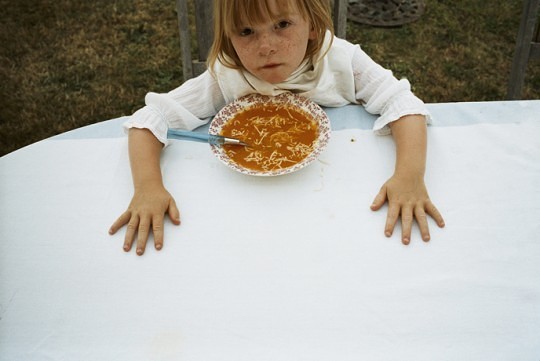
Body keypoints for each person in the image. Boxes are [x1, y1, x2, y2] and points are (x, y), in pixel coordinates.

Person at [109, 0, 445, 255]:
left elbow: (404, 105)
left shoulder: (341, 62)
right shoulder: (227, 76)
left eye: (282, 24)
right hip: (248, 227)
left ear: (312, 25)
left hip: (343, 220)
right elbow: (148, 120)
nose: (265, 46)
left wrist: (409, 176)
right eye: (246, 32)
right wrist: (148, 187)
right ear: (229, 38)